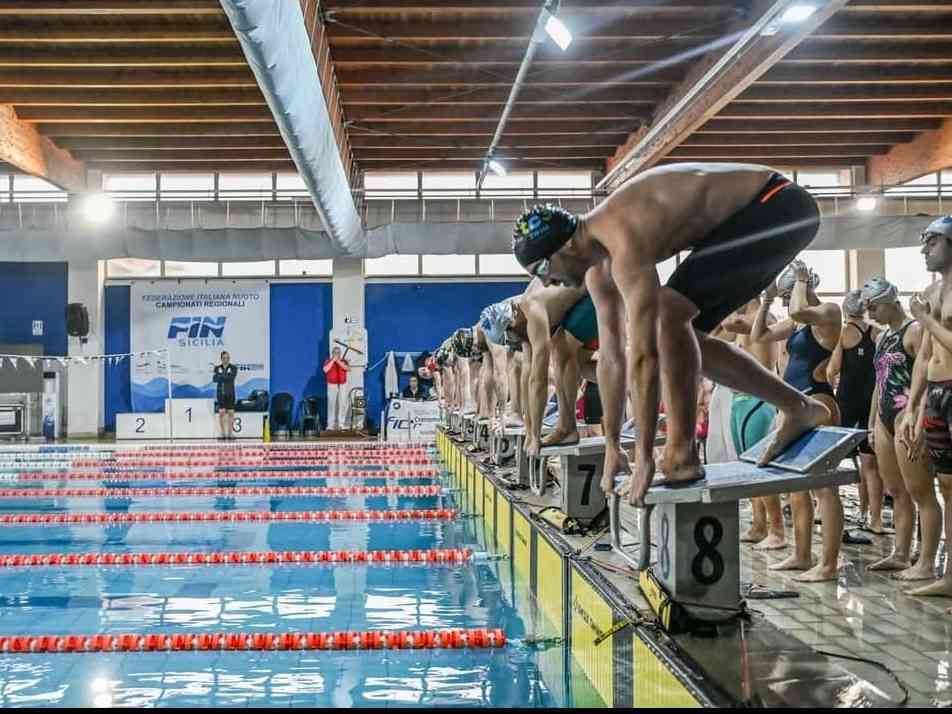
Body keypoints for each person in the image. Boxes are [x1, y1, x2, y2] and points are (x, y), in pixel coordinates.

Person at [511, 163, 830, 508]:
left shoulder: (622, 236)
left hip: (778, 204)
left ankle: (681, 455)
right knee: (687, 336)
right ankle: (799, 407)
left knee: (667, 316)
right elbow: (612, 359)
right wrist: (613, 447)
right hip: (756, 217)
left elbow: (644, 356)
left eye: (542, 269)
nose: (546, 282)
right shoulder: (598, 271)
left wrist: (645, 457)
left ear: (566, 245)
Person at [750, 261, 843, 581]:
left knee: (825, 487)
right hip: (794, 405)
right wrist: (766, 301)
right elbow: (759, 335)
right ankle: (802, 555)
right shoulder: (797, 322)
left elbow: (802, 311)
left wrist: (801, 282)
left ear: (803, 287)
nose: (786, 302)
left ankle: (829, 564)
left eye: (787, 296)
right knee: (796, 486)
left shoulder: (829, 312)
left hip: (819, 401)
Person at [862, 276, 939, 580]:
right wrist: (872, 422)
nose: (870, 313)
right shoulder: (882, 336)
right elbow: (878, 383)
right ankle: (901, 554)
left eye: (874, 307)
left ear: (892, 302)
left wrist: (919, 417)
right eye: (867, 307)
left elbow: (927, 377)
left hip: (907, 415)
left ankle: (926, 561)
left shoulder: (915, 330)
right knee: (895, 490)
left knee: (921, 491)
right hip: (884, 418)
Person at [897, 216, 952, 598]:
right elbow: (924, 356)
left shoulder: (928, 307)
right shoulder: (931, 292)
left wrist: (926, 320)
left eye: (932, 242)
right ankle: (949, 577)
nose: (923, 250)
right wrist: (913, 405)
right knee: (947, 486)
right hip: (935, 392)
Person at [721, 296, 786, 550]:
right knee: (748, 467)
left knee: (760, 468)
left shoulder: (763, 318)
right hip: (741, 399)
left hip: (757, 401)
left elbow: (728, 324)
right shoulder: (745, 321)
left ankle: (777, 530)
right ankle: (759, 525)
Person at [827, 289, 883, 533]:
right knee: (870, 463)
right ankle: (874, 518)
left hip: (847, 402)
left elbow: (832, 370)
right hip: (871, 401)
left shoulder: (843, 333)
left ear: (845, 309)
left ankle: (829, 510)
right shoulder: (878, 333)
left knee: (835, 460)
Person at [213, 351, 238, 440]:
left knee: (231, 413)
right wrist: (224, 376)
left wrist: (221, 376)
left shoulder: (233, 368)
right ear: (221, 359)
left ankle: (230, 434)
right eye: (224, 358)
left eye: (227, 358)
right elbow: (214, 379)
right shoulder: (217, 368)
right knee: (221, 413)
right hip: (221, 394)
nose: (226, 360)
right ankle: (223, 434)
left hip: (230, 393)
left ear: (229, 358)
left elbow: (231, 378)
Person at [323, 346, 349, 431]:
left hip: (342, 385)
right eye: (335, 352)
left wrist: (338, 361)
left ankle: (341, 424)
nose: (337, 354)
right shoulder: (328, 361)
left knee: (342, 404)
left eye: (338, 352)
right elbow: (325, 370)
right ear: (332, 353)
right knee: (331, 404)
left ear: (340, 354)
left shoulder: (344, 361)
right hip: (332, 385)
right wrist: (333, 361)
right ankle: (330, 425)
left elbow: (347, 368)